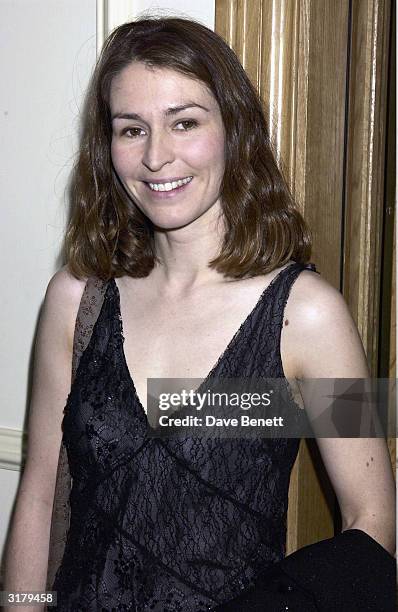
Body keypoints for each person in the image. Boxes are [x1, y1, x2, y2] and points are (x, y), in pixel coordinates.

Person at [3, 16, 395, 612]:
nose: (157, 157)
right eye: (131, 130)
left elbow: (375, 523)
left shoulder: (312, 316)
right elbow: (38, 490)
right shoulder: (74, 298)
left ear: (233, 129)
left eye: (184, 122)